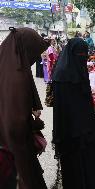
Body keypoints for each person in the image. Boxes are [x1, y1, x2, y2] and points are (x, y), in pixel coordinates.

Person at [0, 27, 49, 189]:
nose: (34, 59)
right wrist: (34, 124)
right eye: (34, 53)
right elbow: (16, 123)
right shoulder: (18, 77)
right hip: (15, 146)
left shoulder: (7, 64)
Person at [52, 38, 95, 189]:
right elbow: (60, 110)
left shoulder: (80, 71)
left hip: (85, 130)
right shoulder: (60, 76)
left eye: (84, 55)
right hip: (69, 132)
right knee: (74, 168)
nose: (82, 57)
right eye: (79, 54)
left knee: (88, 164)